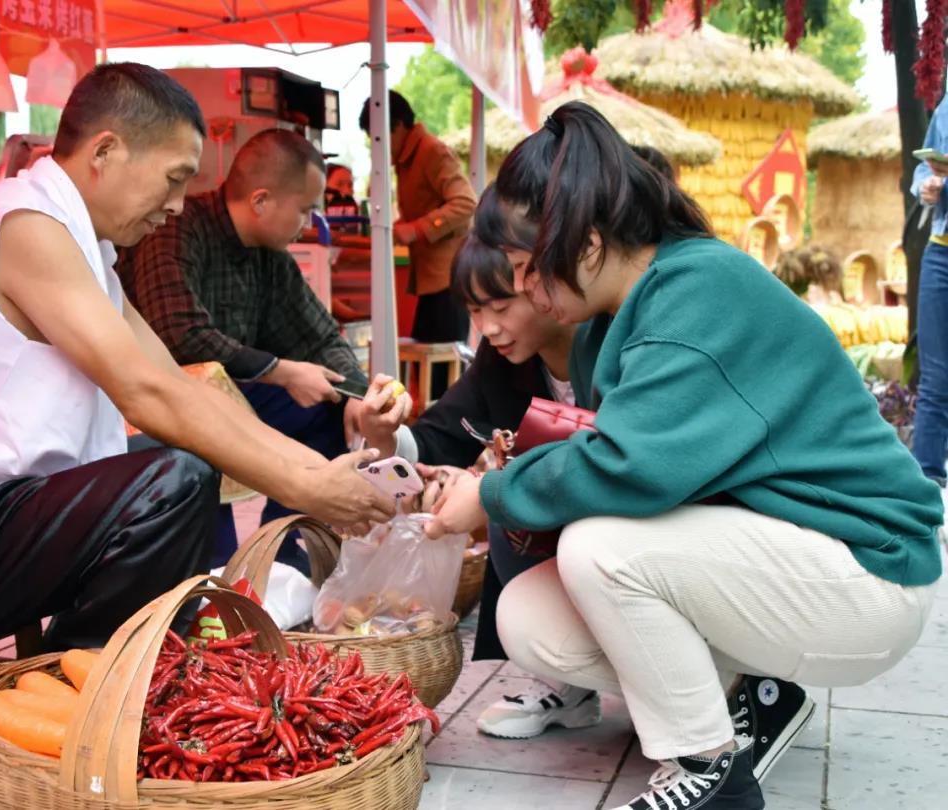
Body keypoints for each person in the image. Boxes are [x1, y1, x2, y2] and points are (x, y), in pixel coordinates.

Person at [426, 101, 942, 810]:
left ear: (587, 244)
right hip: (786, 555)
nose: (520, 289)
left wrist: (489, 495)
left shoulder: (696, 293)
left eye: (524, 267)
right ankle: (750, 701)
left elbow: (629, 467)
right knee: (530, 614)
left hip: (867, 570)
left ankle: (707, 770)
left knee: (601, 547)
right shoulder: (619, 317)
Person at [0, 64, 394, 692]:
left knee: (180, 467)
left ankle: (86, 674)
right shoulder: (26, 224)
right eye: (174, 179)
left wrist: (314, 474)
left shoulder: (86, 252)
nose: (176, 205)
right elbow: (145, 393)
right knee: (171, 480)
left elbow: (186, 386)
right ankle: (76, 685)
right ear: (106, 151)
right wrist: (303, 487)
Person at [359, 225, 610, 738]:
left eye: (501, 305)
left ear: (545, 284)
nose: (488, 328)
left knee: (505, 494)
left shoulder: (613, 347)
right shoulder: (501, 365)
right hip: (570, 541)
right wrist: (385, 437)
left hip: (630, 532)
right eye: (475, 312)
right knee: (503, 505)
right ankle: (567, 686)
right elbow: (434, 441)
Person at [117, 129, 397, 570]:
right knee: (203, 466)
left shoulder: (270, 257)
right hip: (159, 411)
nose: (309, 223)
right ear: (261, 200)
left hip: (235, 399)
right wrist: (281, 371)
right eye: (305, 210)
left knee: (325, 407)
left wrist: (357, 399)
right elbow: (178, 335)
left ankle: (288, 563)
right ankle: (213, 583)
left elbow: (321, 337)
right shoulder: (174, 229)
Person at [358, 91, 477, 356]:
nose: (378, 146)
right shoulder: (408, 159)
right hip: (433, 280)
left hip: (449, 280)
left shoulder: (431, 151)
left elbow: (466, 203)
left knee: (442, 366)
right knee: (425, 360)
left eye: (378, 138)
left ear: (398, 126)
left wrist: (415, 229)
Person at [910, 99, 948, 486]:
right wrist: (928, 185)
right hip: (941, 251)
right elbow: (923, 169)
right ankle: (927, 482)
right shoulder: (946, 108)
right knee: (935, 377)